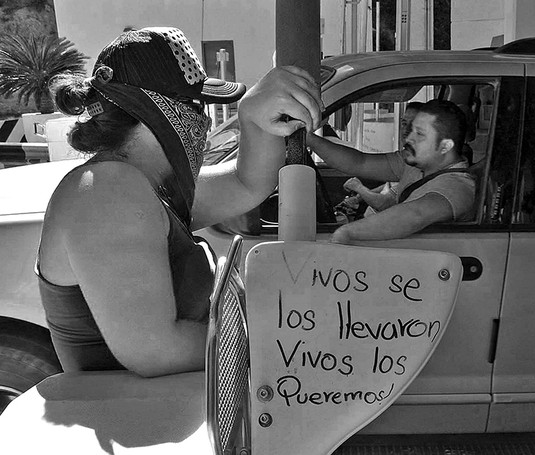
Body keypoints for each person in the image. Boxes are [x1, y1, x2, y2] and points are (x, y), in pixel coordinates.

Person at [36, 27, 321, 377]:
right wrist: (284, 334)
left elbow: (246, 184)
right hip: (140, 419)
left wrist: (253, 117)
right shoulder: (108, 191)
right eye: (193, 105)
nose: (202, 120)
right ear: (148, 108)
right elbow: (156, 351)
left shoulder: (138, 186)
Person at [307, 99, 475, 244]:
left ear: (445, 146)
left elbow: (415, 214)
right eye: (410, 129)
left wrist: (345, 233)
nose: (408, 138)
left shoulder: (458, 186)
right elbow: (359, 162)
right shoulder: (415, 163)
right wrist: (308, 139)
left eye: (420, 134)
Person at [335, 102, 423, 218]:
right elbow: (390, 186)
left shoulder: (420, 167)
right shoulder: (407, 160)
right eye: (404, 123)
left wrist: (358, 187)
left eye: (414, 125)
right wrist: (358, 198)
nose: (406, 130)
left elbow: (384, 203)